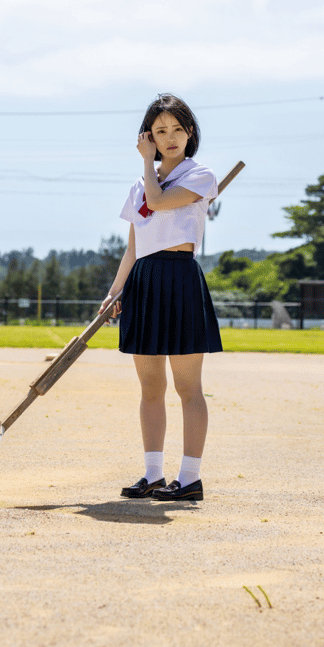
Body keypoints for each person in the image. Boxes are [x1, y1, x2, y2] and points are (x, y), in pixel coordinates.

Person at [100, 94, 221, 503]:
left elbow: (158, 202)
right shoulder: (139, 186)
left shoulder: (199, 175)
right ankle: (153, 474)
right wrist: (116, 290)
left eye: (177, 129)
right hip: (145, 280)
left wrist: (146, 164)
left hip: (180, 277)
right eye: (160, 131)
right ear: (147, 136)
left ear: (190, 133)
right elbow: (134, 247)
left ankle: (190, 479)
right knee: (150, 385)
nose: (170, 138)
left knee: (189, 387)